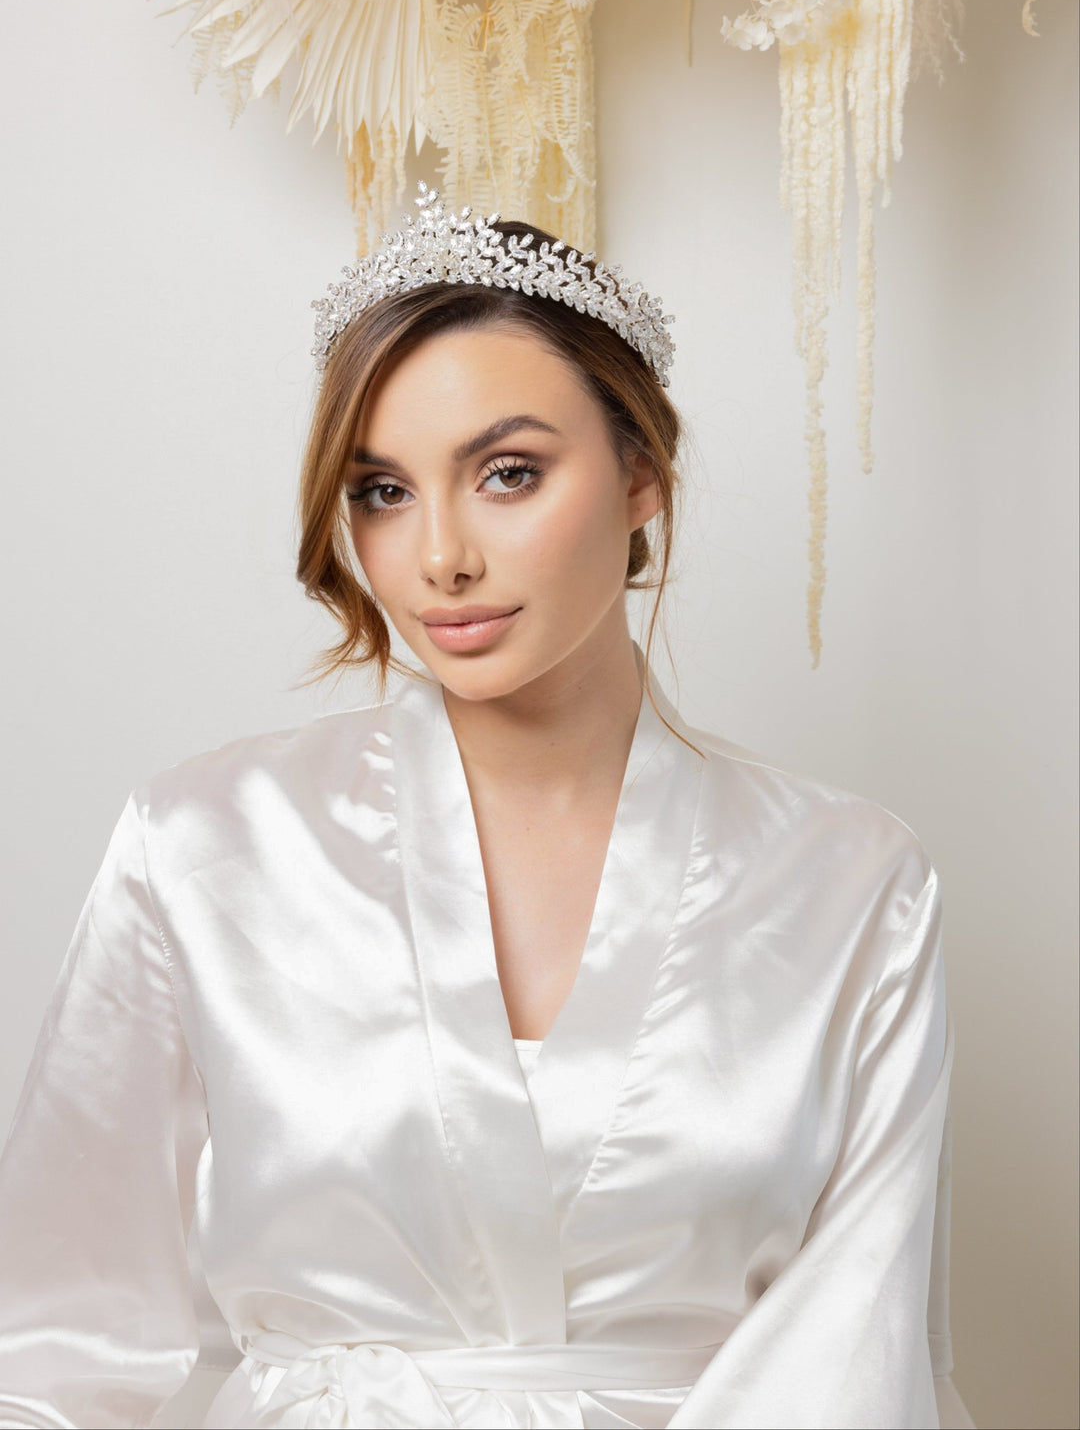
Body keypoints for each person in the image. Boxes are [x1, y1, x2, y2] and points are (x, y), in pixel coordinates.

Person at [0, 188, 972, 1430]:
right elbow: (51, 1341)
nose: (438, 555)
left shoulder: (848, 880)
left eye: (508, 473)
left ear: (641, 477)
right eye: (383, 491)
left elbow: (855, 1355)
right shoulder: (203, 845)